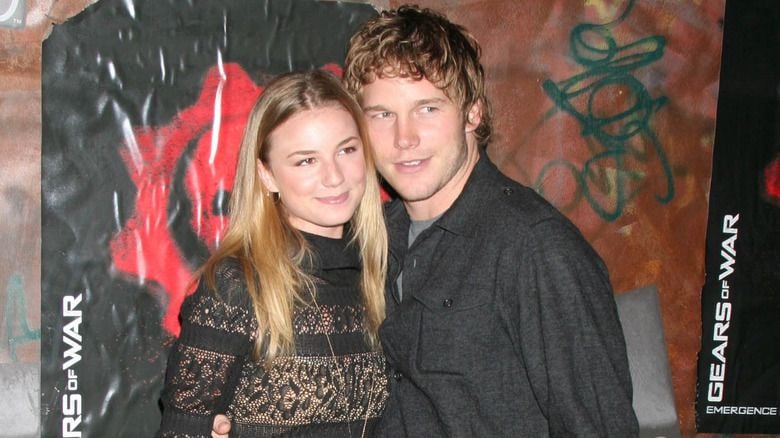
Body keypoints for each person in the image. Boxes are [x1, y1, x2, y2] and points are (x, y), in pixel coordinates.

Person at [340, 5, 639, 437]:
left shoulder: (536, 248)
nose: (404, 138)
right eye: (383, 114)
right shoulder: (374, 239)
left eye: (427, 109)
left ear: (472, 113)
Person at [158, 69, 389, 438]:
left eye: (346, 150)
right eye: (306, 160)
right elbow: (182, 429)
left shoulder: (384, 271)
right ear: (266, 175)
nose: (334, 176)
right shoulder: (238, 284)